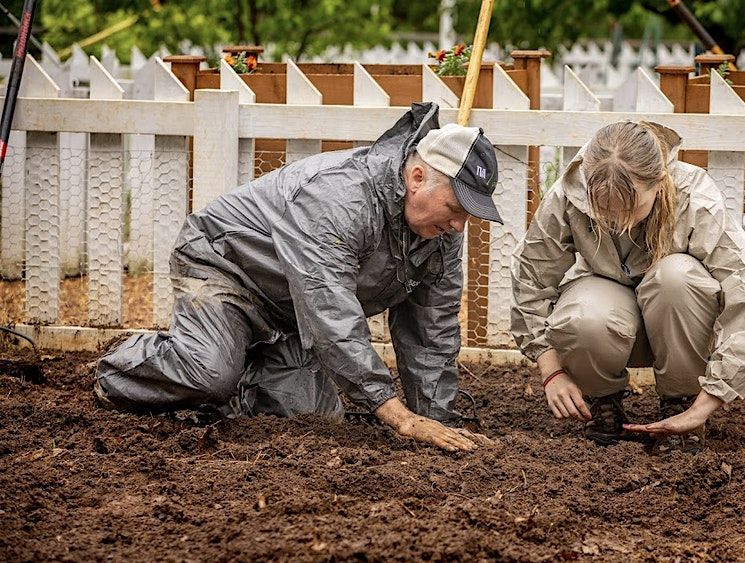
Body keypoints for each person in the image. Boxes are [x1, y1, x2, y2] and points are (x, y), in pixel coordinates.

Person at [96, 102, 502, 452]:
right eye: (455, 207)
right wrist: (398, 416)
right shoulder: (342, 198)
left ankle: (241, 368)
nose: (460, 226)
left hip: (292, 311)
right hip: (229, 271)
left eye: (469, 214)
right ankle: (121, 369)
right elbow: (330, 310)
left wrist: (438, 421)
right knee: (208, 372)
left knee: (313, 417)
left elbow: (431, 331)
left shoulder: (440, 233)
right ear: (417, 179)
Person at [511, 120, 745, 452]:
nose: (620, 222)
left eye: (631, 209)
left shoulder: (694, 196)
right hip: (613, 325)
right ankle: (602, 403)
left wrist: (706, 404)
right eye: (605, 213)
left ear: (660, 183)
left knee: (676, 278)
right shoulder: (568, 194)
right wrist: (552, 373)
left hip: (681, 327)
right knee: (583, 316)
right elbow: (530, 279)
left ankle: (680, 402)